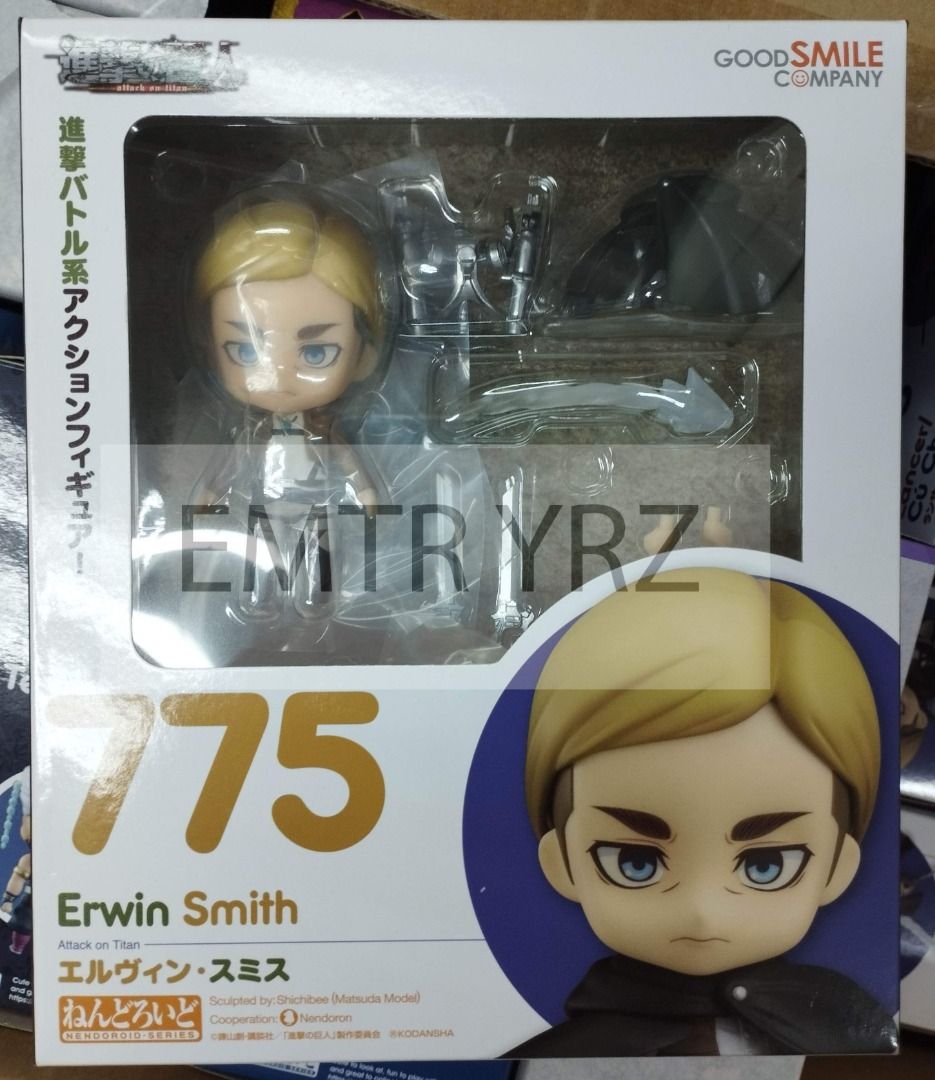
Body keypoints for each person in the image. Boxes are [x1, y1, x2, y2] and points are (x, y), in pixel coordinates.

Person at [514, 567, 896, 1056]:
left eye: (766, 865)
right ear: (561, 860)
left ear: (838, 866)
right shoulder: (565, 1054)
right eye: (635, 862)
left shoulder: (845, 1031)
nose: (702, 910)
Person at [192, 196, 384, 621]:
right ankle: (258, 594)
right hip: (266, 499)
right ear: (211, 350)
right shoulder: (253, 430)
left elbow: (347, 460)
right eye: (245, 350)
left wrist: (365, 491)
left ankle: (319, 594)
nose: (279, 375)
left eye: (316, 353)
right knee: (261, 550)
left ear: (363, 355)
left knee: (319, 552)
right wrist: (210, 492)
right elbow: (229, 462)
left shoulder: (324, 427)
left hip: (315, 498)